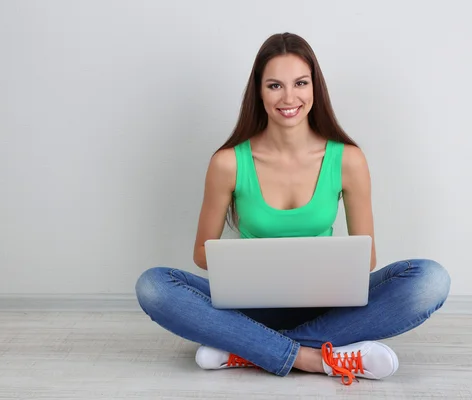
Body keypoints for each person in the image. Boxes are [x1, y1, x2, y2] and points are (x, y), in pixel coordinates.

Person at [134, 32, 450, 386]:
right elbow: (201, 253)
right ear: (258, 91)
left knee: (430, 279)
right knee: (154, 286)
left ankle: (247, 349)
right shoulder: (228, 163)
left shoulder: (347, 159)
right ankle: (313, 357)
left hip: (327, 306)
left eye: (300, 83)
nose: (289, 97)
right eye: (274, 86)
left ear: (315, 88)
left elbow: (367, 259)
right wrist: (255, 263)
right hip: (249, 307)